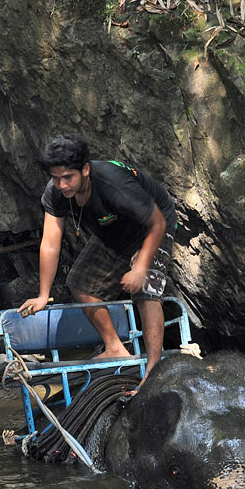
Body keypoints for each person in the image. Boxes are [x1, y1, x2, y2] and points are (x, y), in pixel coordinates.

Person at [18, 134, 177, 385]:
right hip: (113, 232)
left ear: (86, 169)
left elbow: (157, 222)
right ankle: (115, 348)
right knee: (80, 283)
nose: (62, 185)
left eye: (68, 178)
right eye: (56, 178)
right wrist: (42, 294)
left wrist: (141, 267)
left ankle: (153, 371)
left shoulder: (114, 184)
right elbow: (50, 242)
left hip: (152, 225)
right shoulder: (56, 193)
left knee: (146, 289)